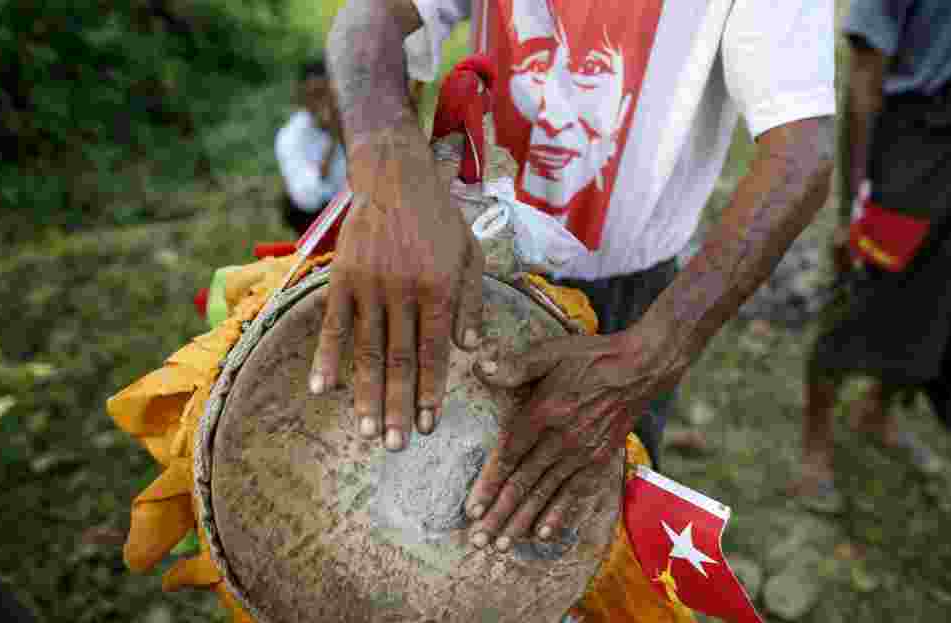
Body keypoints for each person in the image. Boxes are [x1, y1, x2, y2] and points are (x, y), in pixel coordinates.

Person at [310, 0, 835, 552]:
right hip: (460, 255)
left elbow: (800, 148)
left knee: (561, 550)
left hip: (627, 305)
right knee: (392, 528)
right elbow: (373, 16)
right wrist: (389, 170)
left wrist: (648, 357)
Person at [796, 0, 951, 513]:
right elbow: (864, 79)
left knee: (948, 293)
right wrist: (856, 204)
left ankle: (879, 409)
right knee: (863, 287)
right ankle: (814, 441)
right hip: (915, 140)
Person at [274, 59, 348, 236]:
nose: (324, 103)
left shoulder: (353, 125)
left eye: (329, 95)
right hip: (316, 225)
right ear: (303, 97)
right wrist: (333, 139)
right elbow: (307, 197)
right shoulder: (291, 137)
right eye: (316, 95)